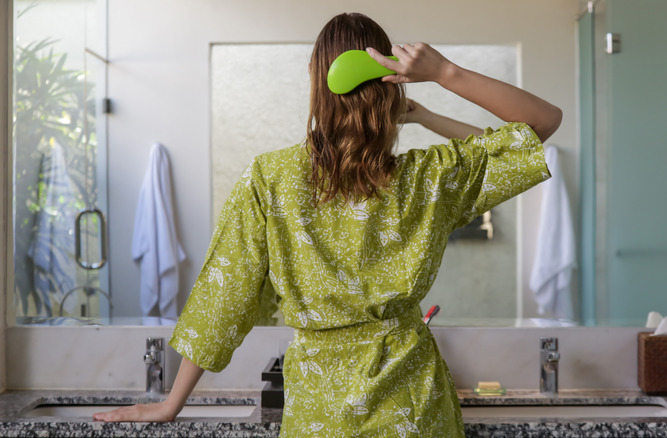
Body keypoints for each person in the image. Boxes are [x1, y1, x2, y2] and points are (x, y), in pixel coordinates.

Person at [94, 12, 562, 437]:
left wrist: (172, 404)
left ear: (317, 84)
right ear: (392, 85)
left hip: (321, 416)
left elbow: (223, 298)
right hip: (413, 411)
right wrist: (443, 76)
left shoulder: (270, 179)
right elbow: (539, 126)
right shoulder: (428, 178)